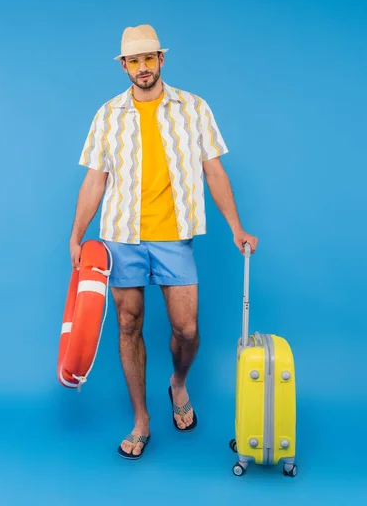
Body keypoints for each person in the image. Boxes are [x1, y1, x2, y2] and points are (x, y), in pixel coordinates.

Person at [69, 24, 258, 460]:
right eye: (133, 61)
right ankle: (141, 419)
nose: (141, 68)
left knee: (186, 330)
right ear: (124, 66)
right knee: (128, 325)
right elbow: (94, 181)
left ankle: (178, 383)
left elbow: (214, 171)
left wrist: (236, 227)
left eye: (148, 59)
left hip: (174, 235)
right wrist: (77, 236)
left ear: (161, 60)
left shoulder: (193, 108)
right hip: (122, 237)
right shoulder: (107, 115)